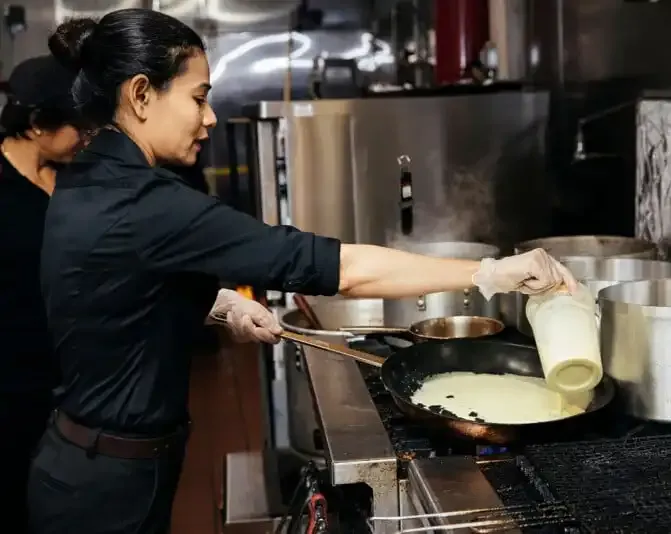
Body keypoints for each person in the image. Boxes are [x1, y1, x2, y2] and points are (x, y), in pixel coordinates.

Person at [28, 9, 577, 534]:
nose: (210, 117)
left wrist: (219, 304)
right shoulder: (146, 203)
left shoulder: (89, 177)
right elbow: (343, 270)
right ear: (141, 94)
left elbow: (111, 284)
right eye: (198, 97)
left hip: (88, 465)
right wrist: (491, 272)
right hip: (109, 488)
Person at [0, 53, 93, 532]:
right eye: (79, 126)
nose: (88, 136)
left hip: (74, 381)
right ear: (38, 124)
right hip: (13, 388)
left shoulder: (73, 179)